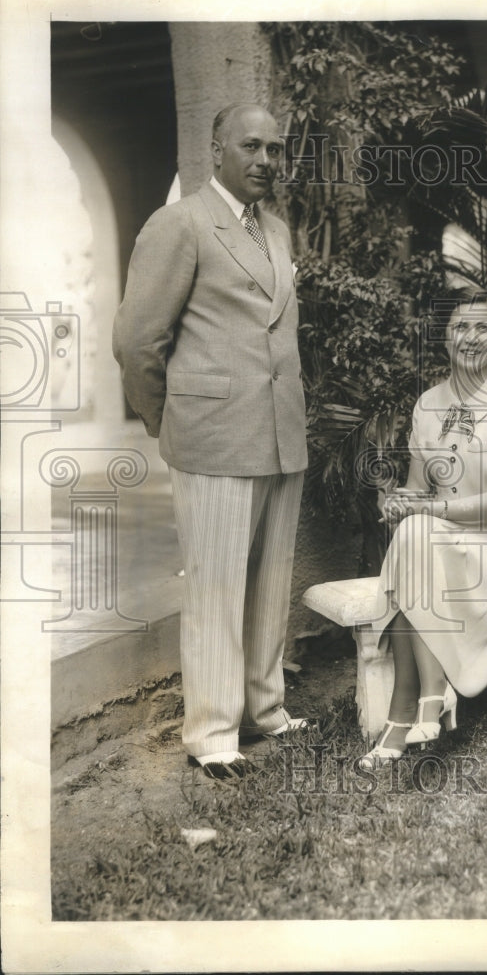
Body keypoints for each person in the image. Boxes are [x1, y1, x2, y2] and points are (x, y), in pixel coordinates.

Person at [113, 102, 309, 779]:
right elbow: (138, 340)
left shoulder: (276, 230)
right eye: (251, 147)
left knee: (266, 581)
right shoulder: (180, 223)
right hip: (212, 434)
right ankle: (213, 733)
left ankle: (264, 707)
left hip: (280, 431)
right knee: (216, 589)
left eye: (275, 150)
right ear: (216, 151)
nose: (265, 161)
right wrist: (167, 419)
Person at [360, 292, 487, 768]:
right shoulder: (428, 404)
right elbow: (416, 489)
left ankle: (407, 714)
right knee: (412, 537)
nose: (471, 338)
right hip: (446, 535)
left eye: (482, 328)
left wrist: (430, 510)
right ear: (445, 338)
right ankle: (429, 700)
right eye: (460, 327)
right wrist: (399, 504)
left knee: (418, 541)